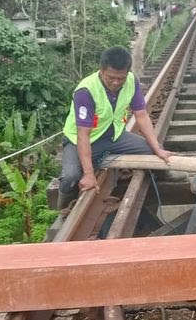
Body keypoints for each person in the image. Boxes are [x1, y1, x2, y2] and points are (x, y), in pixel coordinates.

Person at [57, 46, 172, 209]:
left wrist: (157, 148)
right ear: (101, 70)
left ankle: (164, 177)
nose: (116, 82)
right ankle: (63, 206)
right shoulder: (86, 91)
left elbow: (141, 115)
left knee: (155, 150)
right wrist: (89, 175)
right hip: (80, 140)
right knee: (70, 177)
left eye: (121, 78)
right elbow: (83, 135)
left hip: (114, 136)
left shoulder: (132, 81)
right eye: (111, 77)